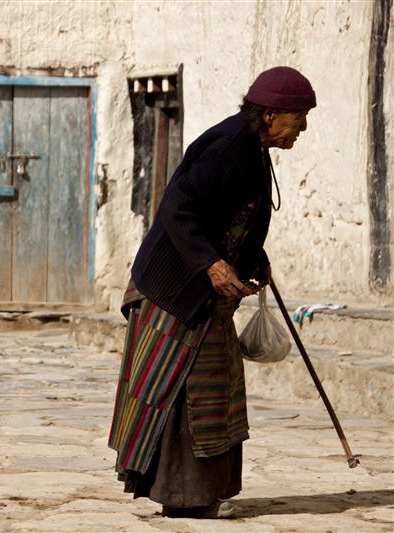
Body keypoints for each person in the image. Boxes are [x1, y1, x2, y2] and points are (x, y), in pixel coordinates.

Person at [108, 66, 316, 519]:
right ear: (271, 114)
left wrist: (252, 258)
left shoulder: (254, 149)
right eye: (298, 118)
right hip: (174, 289)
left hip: (203, 293)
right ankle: (183, 498)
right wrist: (212, 263)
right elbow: (177, 208)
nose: (302, 129)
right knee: (183, 390)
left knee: (214, 388)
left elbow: (231, 217)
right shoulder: (227, 146)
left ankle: (202, 495)